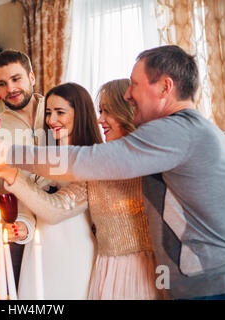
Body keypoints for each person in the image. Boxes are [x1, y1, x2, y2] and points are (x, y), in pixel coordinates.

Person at [0, 45, 225, 300]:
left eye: (135, 84)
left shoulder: (174, 131)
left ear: (165, 87)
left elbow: (88, 160)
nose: (128, 94)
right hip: (199, 278)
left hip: (212, 283)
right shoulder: (199, 130)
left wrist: (7, 153)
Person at [0, 82, 100, 299]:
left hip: (75, 255)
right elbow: (30, 208)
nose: (51, 120)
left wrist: (10, 174)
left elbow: (57, 211)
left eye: (60, 112)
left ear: (80, 114)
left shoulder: (91, 159)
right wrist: (23, 227)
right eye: (48, 113)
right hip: (38, 253)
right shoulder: (42, 158)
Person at [87, 79, 163, 299]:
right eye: (100, 111)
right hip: (107, 271)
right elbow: (61, 205)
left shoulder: (155, 161)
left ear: (126, 112)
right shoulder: (96, 164)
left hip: (148, 272)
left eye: (107, 111)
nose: (100, 120)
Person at [0, 49, 46, 287]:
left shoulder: (59, 111)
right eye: (2, 83)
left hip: (59, 221)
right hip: (18, 224)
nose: (10, 89)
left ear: (31, 77)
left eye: (16, 79)